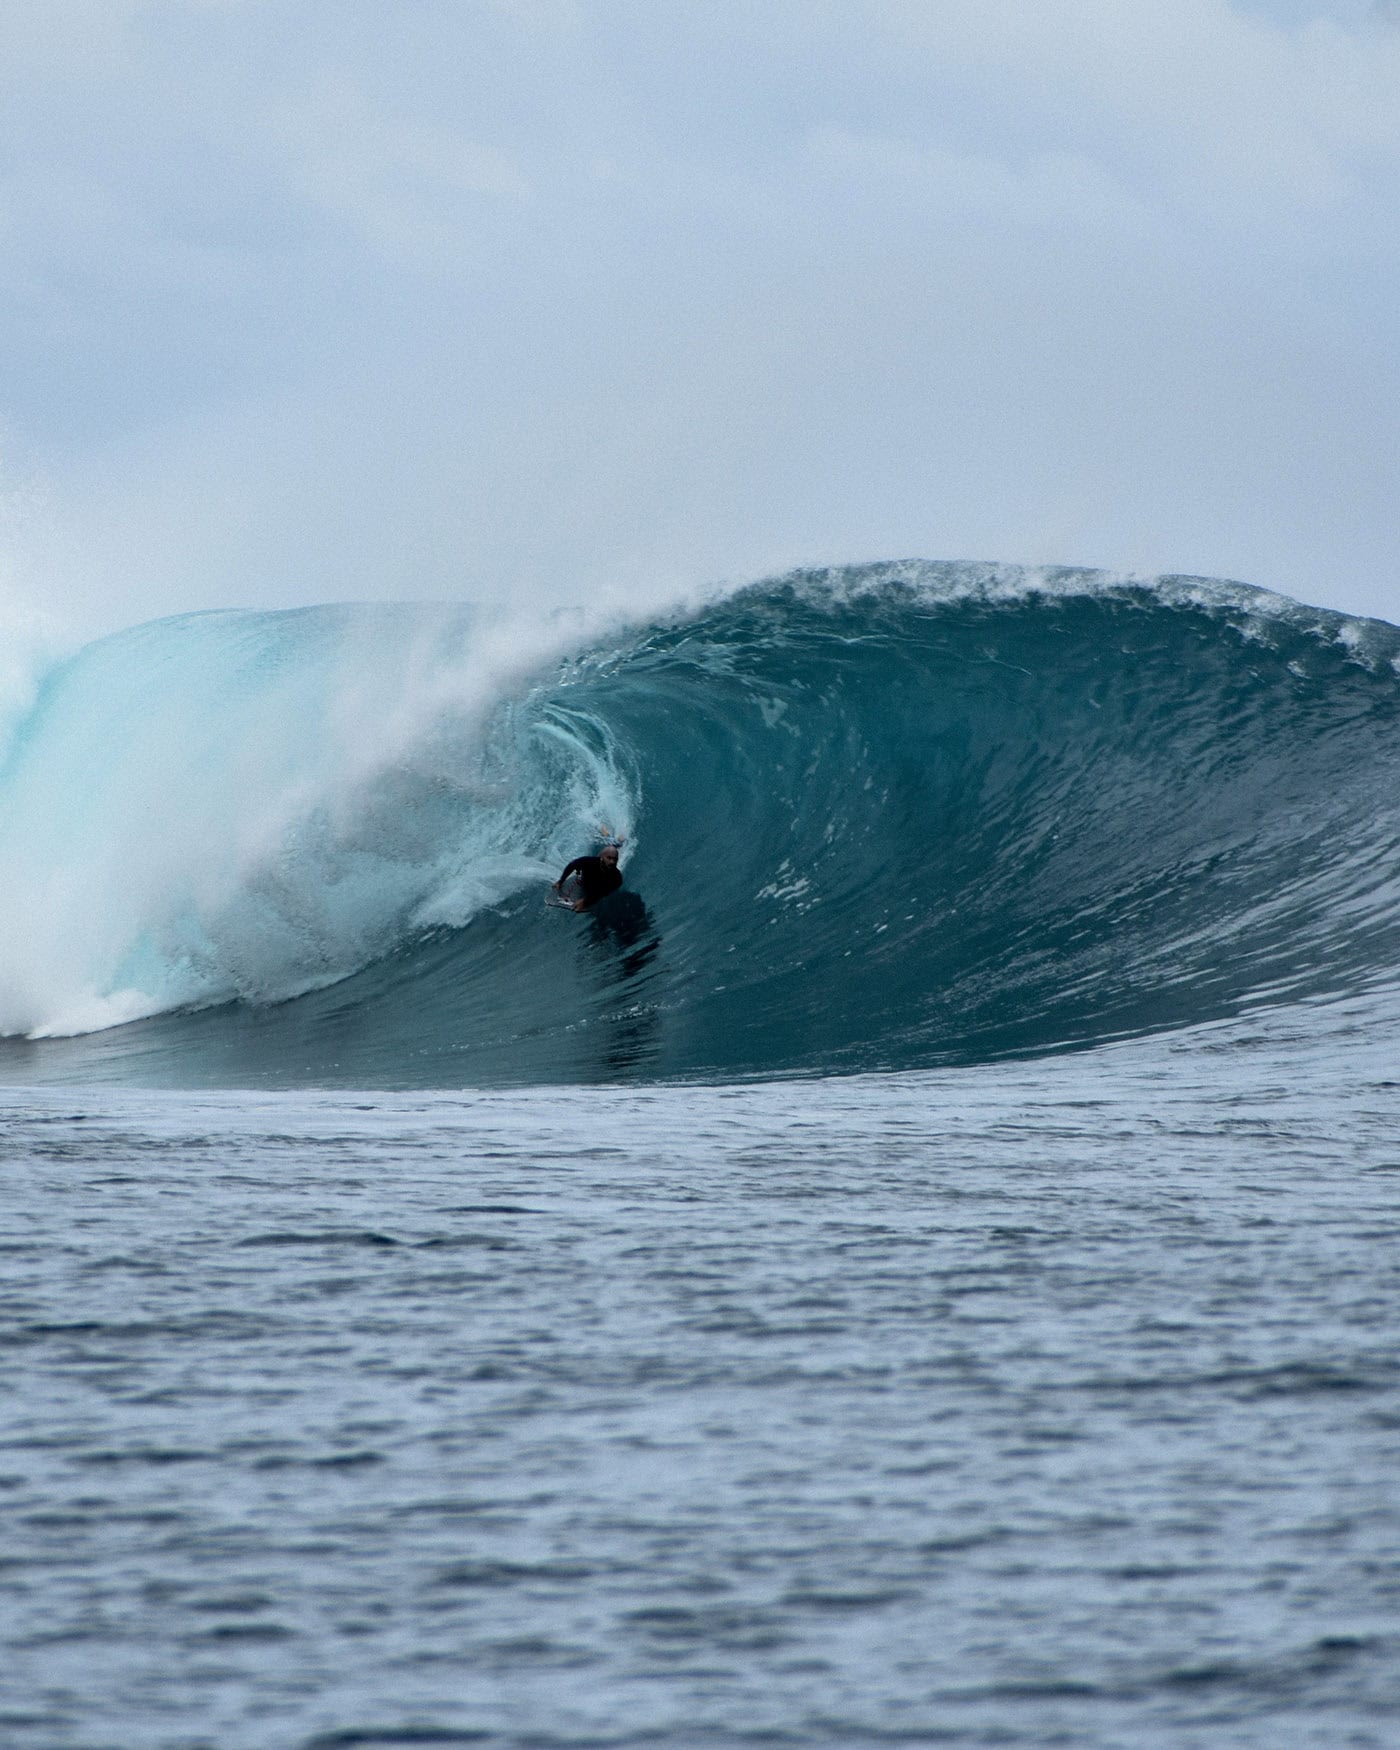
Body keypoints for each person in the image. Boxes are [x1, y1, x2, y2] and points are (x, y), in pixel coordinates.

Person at [554, 842, 623, 912]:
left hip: (600, 884)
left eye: (615, 859)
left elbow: (602, 892)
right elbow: (572, 865)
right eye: (609, 858)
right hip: (592, 871)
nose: (612, 862)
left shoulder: (617, 878)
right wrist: (561, 881)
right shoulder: (589, 862)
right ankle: (613, 843)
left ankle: (617, 843)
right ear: (602, 858)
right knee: (603, 857)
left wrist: (585, 901)